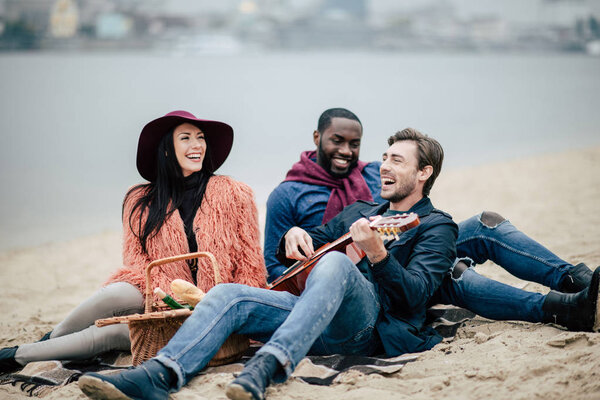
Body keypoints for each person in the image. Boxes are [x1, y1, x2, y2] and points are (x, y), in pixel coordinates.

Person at [76, 128, 458, 400]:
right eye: (385, 157)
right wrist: (291, 235)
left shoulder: (438, 226)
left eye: (397, 161)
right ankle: (160, 374)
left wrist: (378, 254)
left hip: (363, 326)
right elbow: (316, 242)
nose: (384, 167)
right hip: (310, 315)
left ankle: (267, 366)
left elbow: (414, 297)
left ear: (423, 173)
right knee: (230, 294)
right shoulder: (362, 211)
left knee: (336, 268)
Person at [265, 108, 599, 333]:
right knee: (452, 272)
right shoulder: (288, 194)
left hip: (406, 243)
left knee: (485, 222)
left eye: (355, 144)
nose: (347, 151)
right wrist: (297, 244)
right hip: (364, 272)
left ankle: (578, 280)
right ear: (316, 138)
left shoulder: (370, 172)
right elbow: (275, 267)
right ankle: (561, 308)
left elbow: (408, 204)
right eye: (337, 141)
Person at [0, 110, 267, 375]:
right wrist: (168, 297)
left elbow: (250, 262)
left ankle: (16, 356)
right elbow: (137, 263)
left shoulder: (234, 193)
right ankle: (47, 342)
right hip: (161, 301)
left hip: (213, 309)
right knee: (115, 293)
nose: (197, 145)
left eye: (200, 137)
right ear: (166, 150)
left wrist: (243, 314)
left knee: (110, 333)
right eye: (185, 138)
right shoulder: (140, 199)